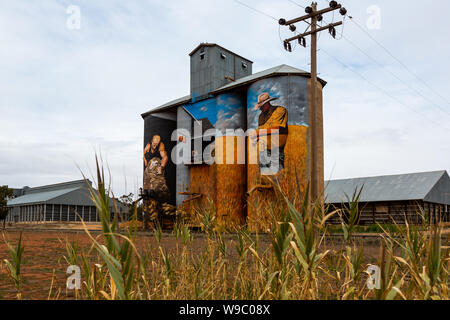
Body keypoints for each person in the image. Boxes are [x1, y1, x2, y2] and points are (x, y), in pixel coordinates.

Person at [249, 92, 288, 175]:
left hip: (276, 150)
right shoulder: (261, 117)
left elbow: (277, 128)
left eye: (261, 106)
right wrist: (255, 139)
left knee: (278, 177)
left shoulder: (280, 110)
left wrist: (257, 132)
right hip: (263, 151)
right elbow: (262, 132)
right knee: (264, 177)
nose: (260, 109)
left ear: (267, 103)